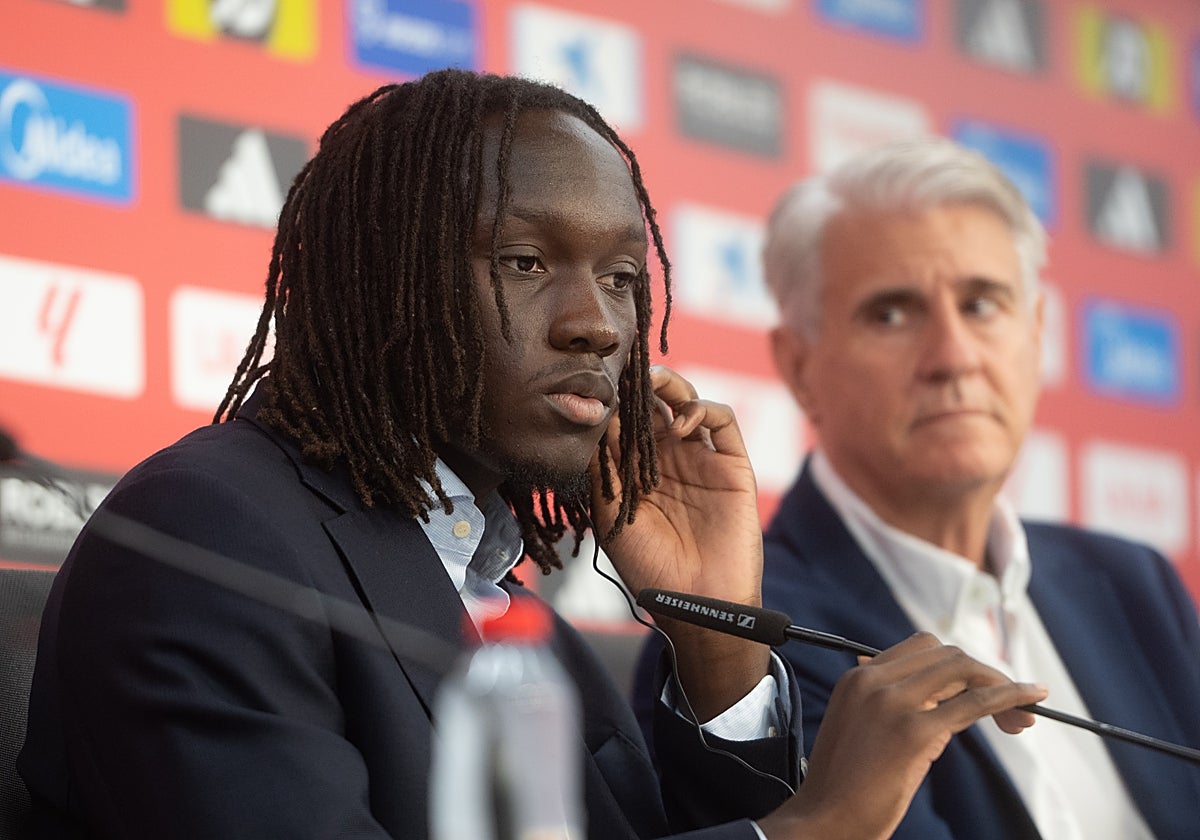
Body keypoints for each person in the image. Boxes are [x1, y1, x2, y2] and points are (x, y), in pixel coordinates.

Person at [18, 73, 1045, 840]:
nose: (598, 326)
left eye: (620, 280)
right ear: (383, 280)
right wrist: (813, 829)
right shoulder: (207, 538)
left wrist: (716, 641)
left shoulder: (500, 598)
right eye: (524, 262)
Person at [745, 136, 1200, 838]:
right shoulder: (741, 639)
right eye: (891, 313)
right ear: (799, 365)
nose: (953, 357)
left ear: (1038, 332)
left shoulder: (1134, 581)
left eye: (983, 305)